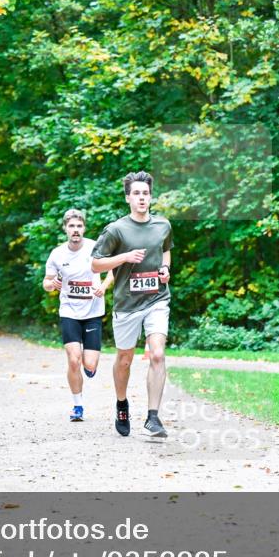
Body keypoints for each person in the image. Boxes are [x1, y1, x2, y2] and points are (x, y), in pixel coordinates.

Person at [91, 171, 172, 438]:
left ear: (151, 197)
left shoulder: (163, 225)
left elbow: (167, 251)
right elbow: (96, 263)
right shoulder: (116, 229)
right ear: (128, 197)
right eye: (136, 193)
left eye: (145, 193)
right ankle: (122, 403)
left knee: (157, 354)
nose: (141, 198)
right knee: (124, 359)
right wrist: (124, 256)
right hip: (127, 304)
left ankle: (153, 418)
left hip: (157, 299)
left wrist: (165, 269)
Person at [43, 209, 113, 423]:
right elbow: (46, 282)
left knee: (89, 365)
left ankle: (89, 365)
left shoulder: (95, 248)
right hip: (69, 311)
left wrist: (103, 285)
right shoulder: (57, 254)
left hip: (93, 312)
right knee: (73, 360)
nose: (75, 230)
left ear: (84, 228)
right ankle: (77, 406)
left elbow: (112, 270)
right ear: (65, 228)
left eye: (79, 226)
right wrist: (51, 285)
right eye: (72, 226)